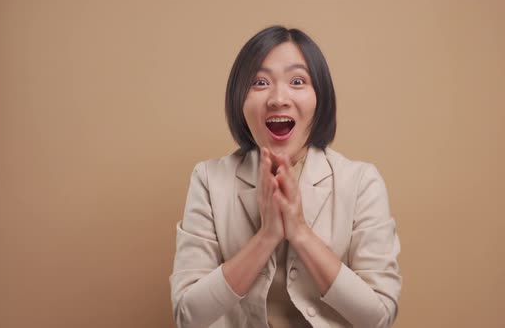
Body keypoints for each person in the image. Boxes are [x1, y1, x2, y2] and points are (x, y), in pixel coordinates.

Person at [169, 26, 401, 328]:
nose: (278, 98)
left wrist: (300, 231)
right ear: (240, 100)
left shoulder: (360, 181)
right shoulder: (209, 179)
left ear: (320, 99)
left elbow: (379, 316)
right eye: (260, 82)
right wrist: (266, 237)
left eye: (297, 81)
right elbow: (189, 316)